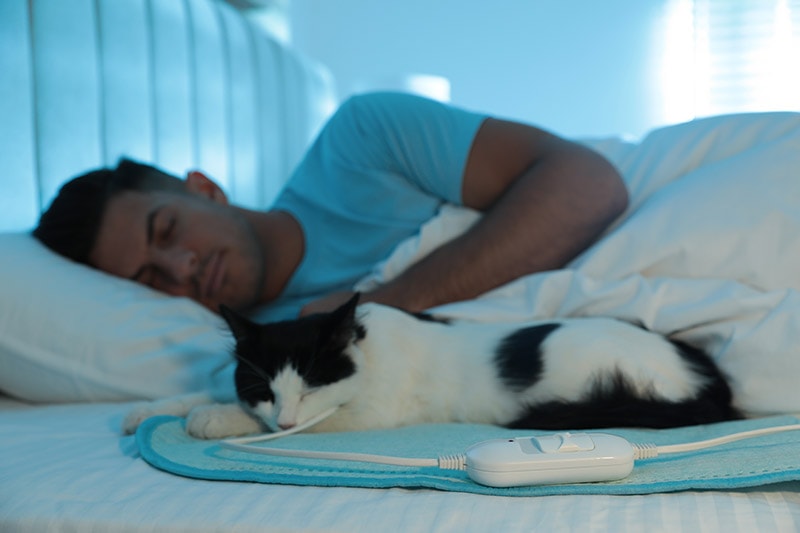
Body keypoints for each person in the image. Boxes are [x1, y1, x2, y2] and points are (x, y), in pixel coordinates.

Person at [33, 92, 628, 321]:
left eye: (168, 232)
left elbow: (588, 185)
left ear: (205, 188)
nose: (181, 269)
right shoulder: (255, 350)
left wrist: (378, 306)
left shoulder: (361, 141)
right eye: (149, 278)